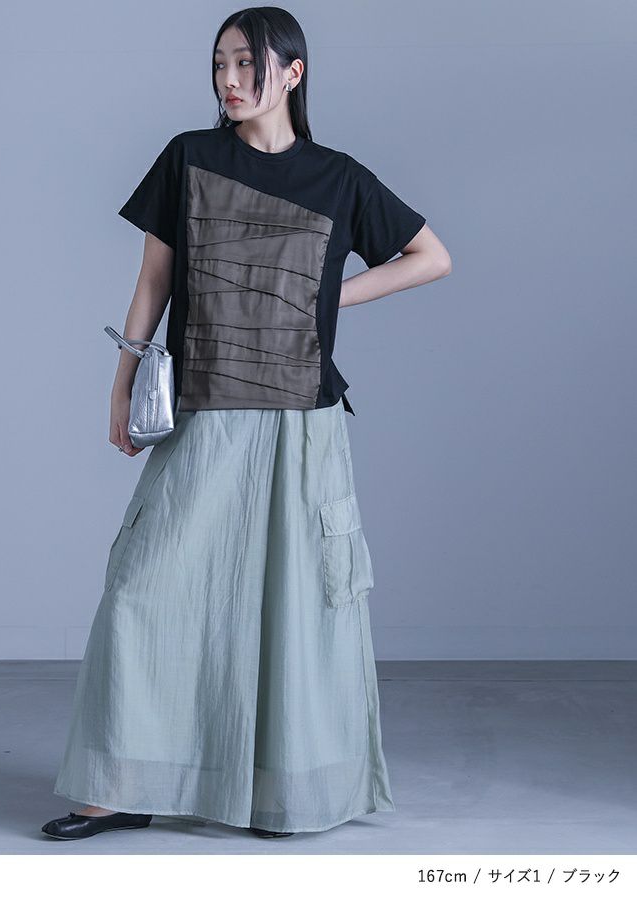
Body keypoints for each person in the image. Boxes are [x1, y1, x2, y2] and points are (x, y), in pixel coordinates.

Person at [42, 6, 451, 842]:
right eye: (220, 64)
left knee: (295, 613)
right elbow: (153, 281)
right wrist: (122, 382)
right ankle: (119, 788)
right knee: (144, 589)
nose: (228, 81)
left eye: (245, 64)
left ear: (292, 73)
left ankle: (283, 796)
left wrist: (327, 296)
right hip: (206, 406)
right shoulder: (190, 158)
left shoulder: (338, 178)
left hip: (302, 420)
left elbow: (431, 258)